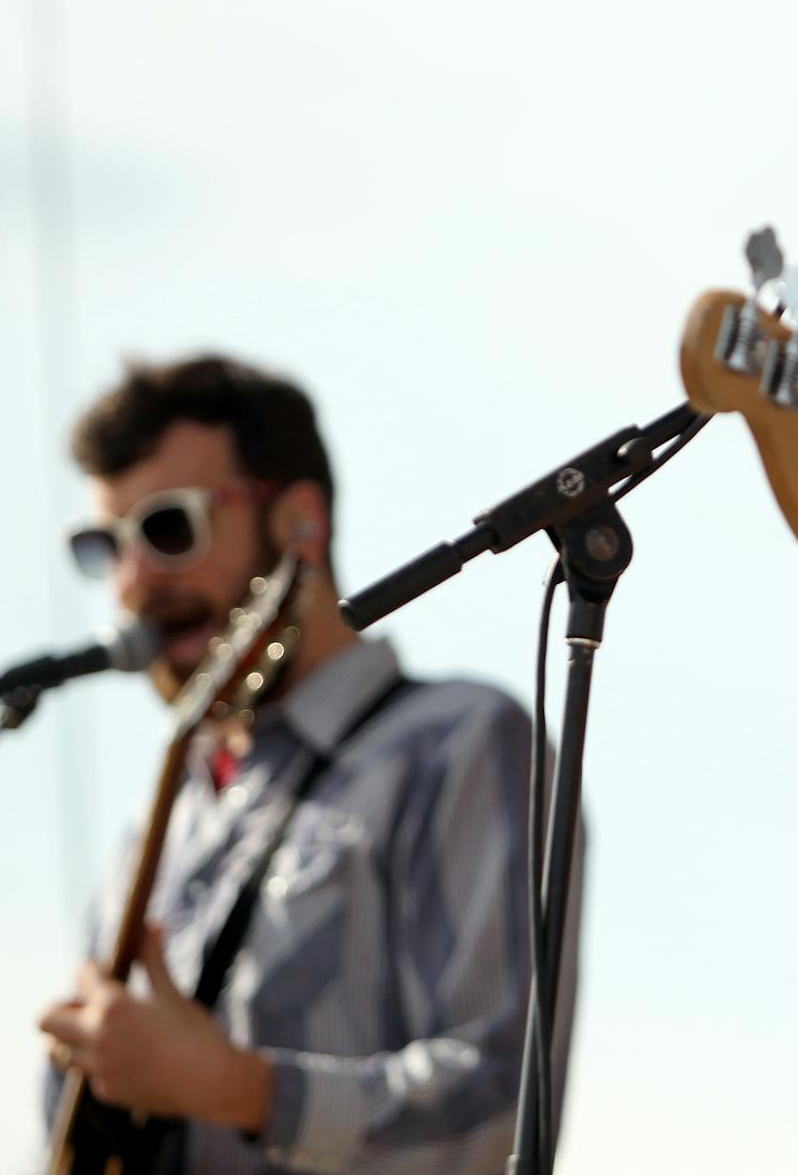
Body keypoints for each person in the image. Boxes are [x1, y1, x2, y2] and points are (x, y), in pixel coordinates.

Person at [39, 355, 558, 1174]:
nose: (135, 580)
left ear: (299, 524)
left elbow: (498, 1106)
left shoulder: (454, 742)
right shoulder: (162, 818)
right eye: (105, 546)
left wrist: (240, 1089)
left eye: (169, 527)